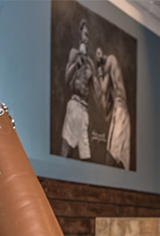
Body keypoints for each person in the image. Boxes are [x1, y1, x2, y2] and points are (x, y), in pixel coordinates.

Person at [61, 19, 99, 161]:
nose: (86, 39)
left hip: (84, 111)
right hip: (74, 104)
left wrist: (94, 75)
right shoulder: (74, 54)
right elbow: (67, 78)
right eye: (84, 34)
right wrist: (76, 65)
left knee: (85, 155)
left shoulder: (90, 62)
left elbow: (96, 92)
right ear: (79, 36)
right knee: (66, 148)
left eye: (88, 35)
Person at [95, 47, 131, 170]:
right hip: (119, 109)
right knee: (113, 148)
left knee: (114, 149)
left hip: (121, 109)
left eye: (99, 53)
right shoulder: (110, 67)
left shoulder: (110, 60)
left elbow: (103, 89)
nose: (98, 56)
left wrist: (99, 72)